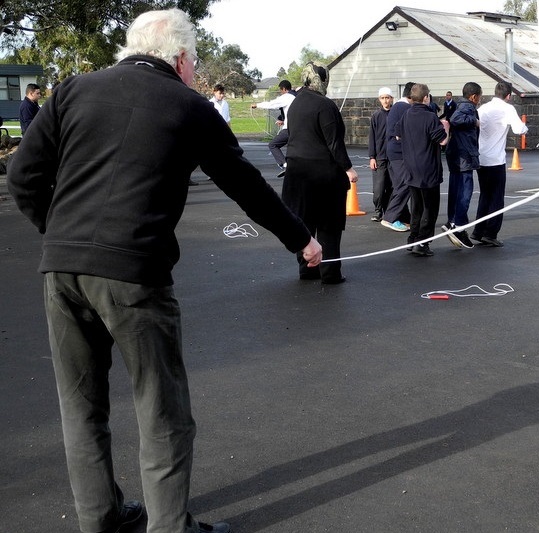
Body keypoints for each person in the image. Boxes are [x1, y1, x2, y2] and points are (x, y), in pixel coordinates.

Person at [6, 9, 322, 533]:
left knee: (81, 405)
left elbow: (22, 175)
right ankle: (169, 528)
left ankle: (101, 521)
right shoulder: (189, 105)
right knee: (162, 409)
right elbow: (244, 184)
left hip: (61, 270)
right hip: (135, 271)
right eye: (195, 62)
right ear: (179, 58)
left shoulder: (73, 90)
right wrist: (302, 240)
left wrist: (61, 235)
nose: (196, 71)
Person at [282, 61, 358, 284]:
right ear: (322, 79)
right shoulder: (325, 106)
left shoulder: (295, 104)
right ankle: (330, 272)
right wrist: (348, 168)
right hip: (322, 175)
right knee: (329, 226)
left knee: (304, 223)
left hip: (296, 171)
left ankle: (307, 269)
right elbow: (334, 143)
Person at [471, 81, 528, 246]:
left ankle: (478, 230)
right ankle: (490, 233)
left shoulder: (483, 109)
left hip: (481, 158)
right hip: (496, 159)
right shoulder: (508, 108)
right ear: (508, 96)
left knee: (485, 195)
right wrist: (525, 127)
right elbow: (519, 129)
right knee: (496, 198)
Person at [396, 83, 449, 256]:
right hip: (428, 168)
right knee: (430, 208)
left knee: (416, 206)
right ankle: (423, 243)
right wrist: (446, 128)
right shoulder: (430, 117)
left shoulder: (406, 114)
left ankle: (412, 239)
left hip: (411, 167)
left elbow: (397, 134)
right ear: (426, 97)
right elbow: (442, 141)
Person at [443, 81, 482, 249]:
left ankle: (452, 221)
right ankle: (458, 225)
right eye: (479, 97)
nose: (479, 100)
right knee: (465, 192)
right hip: (464, 156)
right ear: (474, 97)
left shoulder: (461, 104)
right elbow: (456, 119)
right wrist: (474, 121)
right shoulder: (468, 107)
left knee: (456, 190)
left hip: (457, 154)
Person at [381, 81, 415, 232]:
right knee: (405, 184)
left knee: (399, 184)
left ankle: (403, 217)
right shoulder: (405, 107)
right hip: (399, 152)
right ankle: (390, 217)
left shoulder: (397, 107)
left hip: (392, 151)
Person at [251, 79, 296, 178]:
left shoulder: (287, 97)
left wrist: (257, 105)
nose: (281, 92)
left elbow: (272, 104)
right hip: (298, 129)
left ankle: (285, 165)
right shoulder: (296, 97)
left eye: (281, 90)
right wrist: (283, 120)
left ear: (284, 89)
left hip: (289, 129)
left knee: (273, 145)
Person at [368, 86, 394, 222]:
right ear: (379, 99)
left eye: (387, 97)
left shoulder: (396, 114)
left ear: (391, 98)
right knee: (379, 186)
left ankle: (389, 211)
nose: (385, 100)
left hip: (394, 157)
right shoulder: (376, 116)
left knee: (391, 186)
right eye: (383, 98)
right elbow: (372, 137)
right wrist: (372, 157)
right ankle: (378, 210)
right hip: (380, 157)